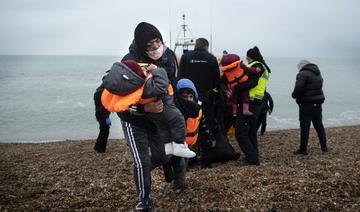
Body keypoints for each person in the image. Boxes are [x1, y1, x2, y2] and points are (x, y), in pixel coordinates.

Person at [113, 22, 179, 211]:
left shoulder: (167, 57)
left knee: (160, 155)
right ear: (142, 47)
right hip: (132, 119)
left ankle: (145, 172)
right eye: (149, 45)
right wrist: (144, 108)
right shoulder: (128, 63)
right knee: (141, 161)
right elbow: (118, 99)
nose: (155, 48)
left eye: (157, 42)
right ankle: (144, 199)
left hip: (156, 120)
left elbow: (171, 86)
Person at [101, 60, 196, 158]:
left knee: (162, 126)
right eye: (141, 69)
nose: (143, 68)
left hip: (152, 114)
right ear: (136, 78)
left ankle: (168, 146)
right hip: (164, 106)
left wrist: (143, 108)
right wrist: (157, 70)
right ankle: (180, 145)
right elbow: (162, 84)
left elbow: (128, 106)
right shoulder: (147, 87)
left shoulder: (127, 89)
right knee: (177, 119)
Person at [178, 38, 222, 168]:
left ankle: (189, 159)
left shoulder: (185, 57)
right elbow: (217, 82)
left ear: (195, 46)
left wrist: (180, 97)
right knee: (205, 127)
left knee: (188, 127)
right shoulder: (211, 59)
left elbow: (180, 78)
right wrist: (213, 96)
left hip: (188, 98)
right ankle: (206, 161)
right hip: (205, 99)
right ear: (206, 47)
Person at [163, 78, 202, 194]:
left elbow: (200, 125)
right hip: (177, 142)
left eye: (191, 96)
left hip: (190, 142)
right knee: (174, 161)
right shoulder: (176, 109)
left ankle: (179, 184)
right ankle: (176, 182)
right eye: (185, 97)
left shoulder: (198, 107)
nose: (188, 99)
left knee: (183, 164)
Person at [233, 46, 271, 165]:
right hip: (258, 102)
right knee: (250, 132)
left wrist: (236, 88)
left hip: (249, 102)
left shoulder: (255, 66)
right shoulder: (264, 67)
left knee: (240, 133)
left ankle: (252, 158)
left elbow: (252, 83)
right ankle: (254, 156)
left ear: (249, 56)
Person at [292, 60, 327, 155]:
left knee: (305, 127)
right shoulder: (317, 73)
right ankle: (324, 147)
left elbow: (298, 88)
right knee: (319, 125)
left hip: (306, 105)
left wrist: (294, 96)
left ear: (301, 66)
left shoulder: (302, 74)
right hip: (318, 103)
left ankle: (303, 149)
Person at [93, 83, 111, 153]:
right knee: (105, 131)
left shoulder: (98, 91)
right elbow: (103, 106)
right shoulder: (102, 93)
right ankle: (101, 149)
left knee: (102, 130)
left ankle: (97, 147)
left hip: (99, 114)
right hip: (102, 114)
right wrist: (106, 117)